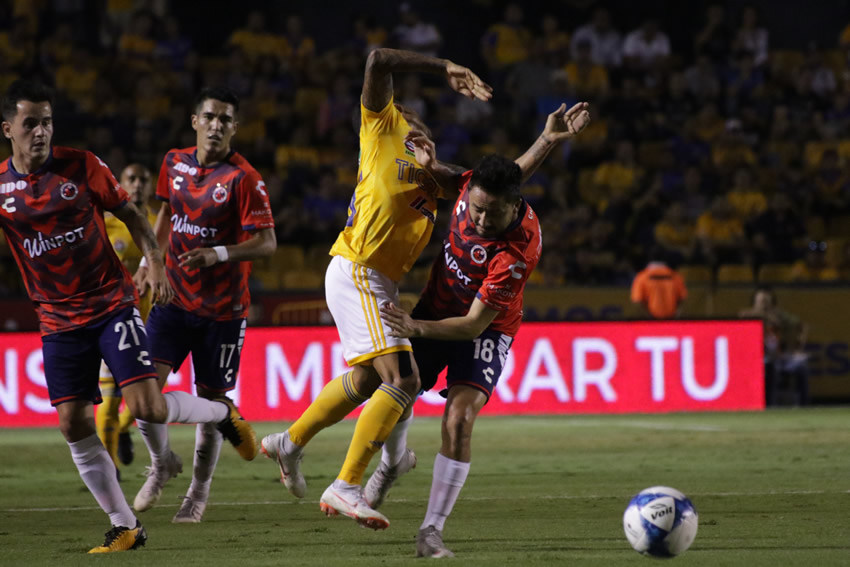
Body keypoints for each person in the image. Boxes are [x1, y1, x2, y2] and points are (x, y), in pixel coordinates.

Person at [0, 80, 256, 553]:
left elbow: (135, 216)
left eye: (47, 122)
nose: (41, 131)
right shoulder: (2, 188)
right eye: (30, 123)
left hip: (110, 304)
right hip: (57, 320)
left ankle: (222, 411)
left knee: (147, 407)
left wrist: (155, 262)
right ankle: (126, 526)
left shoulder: (82, 166)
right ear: (8, 129)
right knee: (72, 423)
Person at [260, 47, 493, 531]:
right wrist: (445, 65)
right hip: (357, 267)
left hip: (376, 280)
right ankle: (346, 485)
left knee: (370, 381)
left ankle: (291, 441)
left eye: (421, 122)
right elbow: (376, 59)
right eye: (410, 114)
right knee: (404, 380)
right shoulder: (381, 127)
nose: (417, 121)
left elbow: (498, 186)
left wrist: (546, 142)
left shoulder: (432, 176)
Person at [376, 101, 590, 557]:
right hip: (438, 304)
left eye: (491, 215)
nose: (478, 220)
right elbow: (487, 175)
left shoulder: (517, 252)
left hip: (485, 329)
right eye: (475, 210)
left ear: (516, 205)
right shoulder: (477, 188)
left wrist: (415, 326)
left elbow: (473, 325)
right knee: (395, 393)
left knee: (459, 419)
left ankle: (431, 530)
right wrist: (547, 139)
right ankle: (391, 466)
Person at [132, 86, 276, 523]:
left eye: (225, 120)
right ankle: (162, 464)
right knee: (143, 395)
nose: (216, 125)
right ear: (194, 120)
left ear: (235, 128)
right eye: (210, 116)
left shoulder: (243, 178)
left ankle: (197, 492)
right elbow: (164, 216)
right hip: (173, 298)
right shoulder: (173, 162)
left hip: (223, 310)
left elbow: (267, 243)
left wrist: (219, 253)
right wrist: (148, 260)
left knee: (211, 401)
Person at [96, 164, 156, 476]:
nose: (137, 184)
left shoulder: (160, 223)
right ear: (119, 184)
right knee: (108, 398)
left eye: (143, 179)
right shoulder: (107, 224)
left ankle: (121, 429)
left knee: (148, 400)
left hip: (152, 323)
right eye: (131, 179)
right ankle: (110, 466)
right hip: (116, 322)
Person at [739, 286, 809, 405]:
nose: (764, 305)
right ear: (755, 302)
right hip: (756, 358)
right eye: (761, 301)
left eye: (767, 301)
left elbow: (801, 326)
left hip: (780, 355)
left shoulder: (779, 316)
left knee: (801, 366)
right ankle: (768, 404)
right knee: (769, 365)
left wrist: (797, 347)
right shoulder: (746, 316)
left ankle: (804, 403)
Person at [630, 247, 687, 319]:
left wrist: (650, 320)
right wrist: (674, 319)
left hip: (651, 324)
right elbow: (683, 301)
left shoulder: (641, 277)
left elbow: (637, 302)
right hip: (671, 323)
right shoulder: (676, 276)